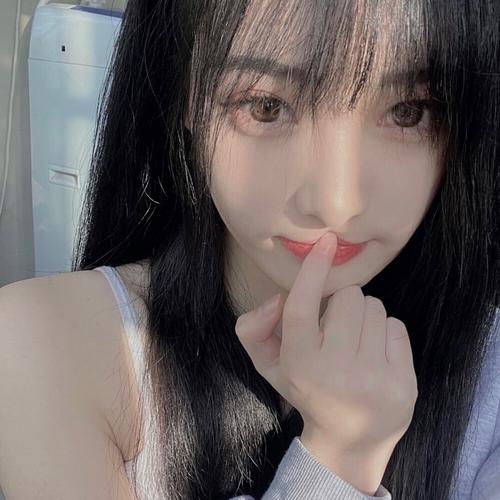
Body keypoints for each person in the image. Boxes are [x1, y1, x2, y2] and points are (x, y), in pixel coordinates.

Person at [0, 0, 499, 499]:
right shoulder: (46, 348)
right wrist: (341, 459)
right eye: (266, 106)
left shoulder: (488, 378)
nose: (336, 204)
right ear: (185, 96)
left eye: (407, 112)